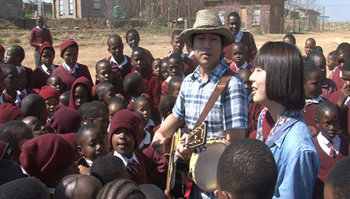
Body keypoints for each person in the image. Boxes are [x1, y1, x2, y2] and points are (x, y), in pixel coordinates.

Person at [153, 9, 248, 198]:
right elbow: (177, 116)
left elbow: (235, 143)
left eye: (213, 39)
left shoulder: (232, 84)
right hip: (190, 180)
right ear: (192, 46)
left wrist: (195, 150)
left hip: (216, 183)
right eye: (201, 39)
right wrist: (160, 134)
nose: (207, 45)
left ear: (222, 46)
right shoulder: (188, 82)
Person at [249, 41, 320, 198]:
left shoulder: (298, 148)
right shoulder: (265, 116)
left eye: (259, 70)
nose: (251, 77)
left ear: (278, 77)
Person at [312, 101, 349, 199]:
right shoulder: (312, 148)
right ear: (318, 123)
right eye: (327, 124)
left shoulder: (346, 144)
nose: (332, 127)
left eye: (335, 122)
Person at [108, 109, 147, 184]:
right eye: (118, 132)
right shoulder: (109, 166)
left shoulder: (139, 160)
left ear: (136, 138)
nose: (122, 136)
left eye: (128, 132)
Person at [302, 61, 323, 136]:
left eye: (321, 82)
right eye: (315, 83)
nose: (320, 86)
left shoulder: (323, 106)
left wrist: (318, 131)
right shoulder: (290, 106)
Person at [329, 59, 350, 136]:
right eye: (345, 79)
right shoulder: (334, 96)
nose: (348, 83)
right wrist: (339, 103)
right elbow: (329, 121)